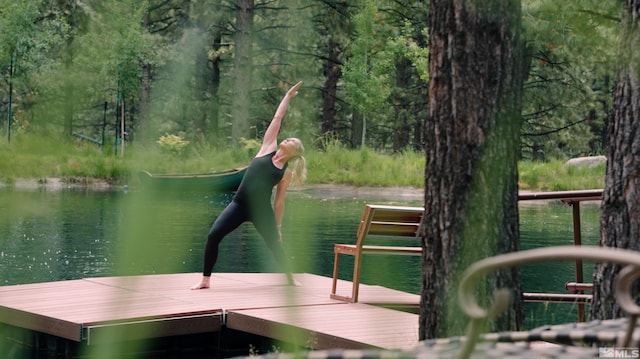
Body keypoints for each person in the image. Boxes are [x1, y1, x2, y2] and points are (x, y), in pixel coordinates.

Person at [191, 81, 307, 290]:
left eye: (291, 141)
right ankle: (205, 280)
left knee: (275, 245)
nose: (287, 138)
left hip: (261, 211)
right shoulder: (267, 147)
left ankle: (290, 279)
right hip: (239, 205)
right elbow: (277, 118)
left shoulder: (285, 173)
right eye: (288, 137)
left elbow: (279, 202)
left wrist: (278, 228)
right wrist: (288, 96)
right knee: (213, 235)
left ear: (294, 152)